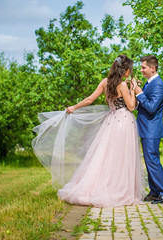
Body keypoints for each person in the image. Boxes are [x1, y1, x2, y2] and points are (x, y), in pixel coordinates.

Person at [32, 55, 145, 207]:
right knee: (122, 157)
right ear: (124, 70)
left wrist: (73, 107)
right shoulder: (123, 85)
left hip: (111, 122)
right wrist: (132, 90)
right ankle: (119, 189)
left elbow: (89, 100)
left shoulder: (105, 83)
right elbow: (131, 106)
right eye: (129, 70)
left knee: (108, 156)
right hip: (124, 122)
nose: (130, 72)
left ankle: (102, 186)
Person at [133, 55, 163, 204]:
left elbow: (151, 108)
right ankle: (155, 191)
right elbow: (143, 105)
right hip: (146, 128)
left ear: (153, 68)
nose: (141, 70)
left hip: (152, 130)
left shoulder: (158, 85)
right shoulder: (149, 83)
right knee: (149, 161)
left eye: (144, 67)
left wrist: (139, 92)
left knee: (153, 161)